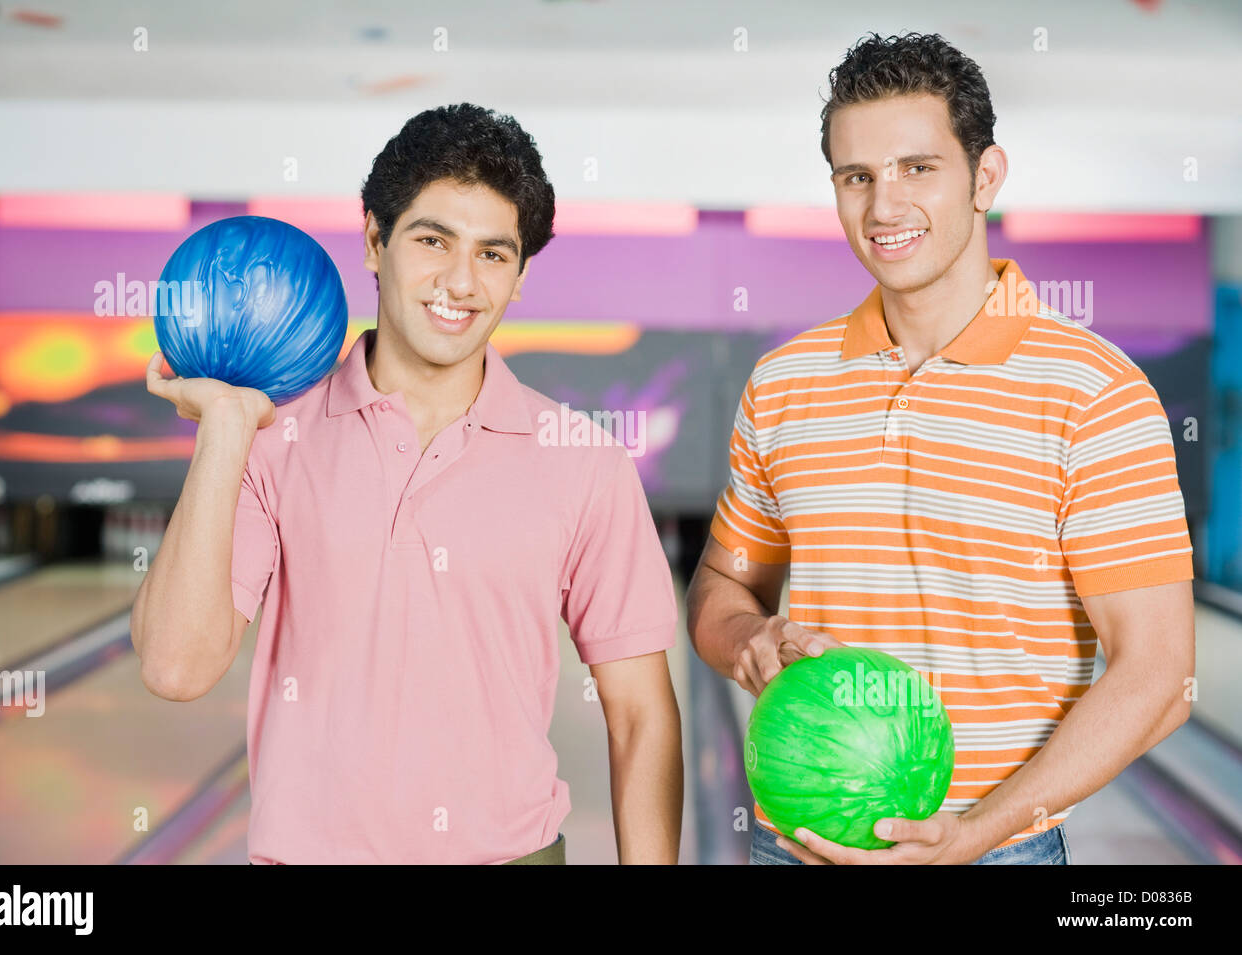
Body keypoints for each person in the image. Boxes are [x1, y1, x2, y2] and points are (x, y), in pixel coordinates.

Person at [686, 33, 1195, 865]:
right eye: (858, 177)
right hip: (796, 847)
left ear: (985, 176)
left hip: (998, 854)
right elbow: (722, 582)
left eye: (918, 168)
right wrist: (746, 636)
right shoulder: (783, 382)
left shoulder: (1094, 393)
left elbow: (1161, 675)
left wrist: (975, 833)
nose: (884, 206)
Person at [133, 103, 683, 864]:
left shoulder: (582, 460)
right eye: (433, 240)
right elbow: (173, 667)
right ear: (373, 240)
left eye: (494, 254)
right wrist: (226, 426)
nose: (460, 281)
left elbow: (640, 717)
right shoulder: (271, 436)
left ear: (520, 276)